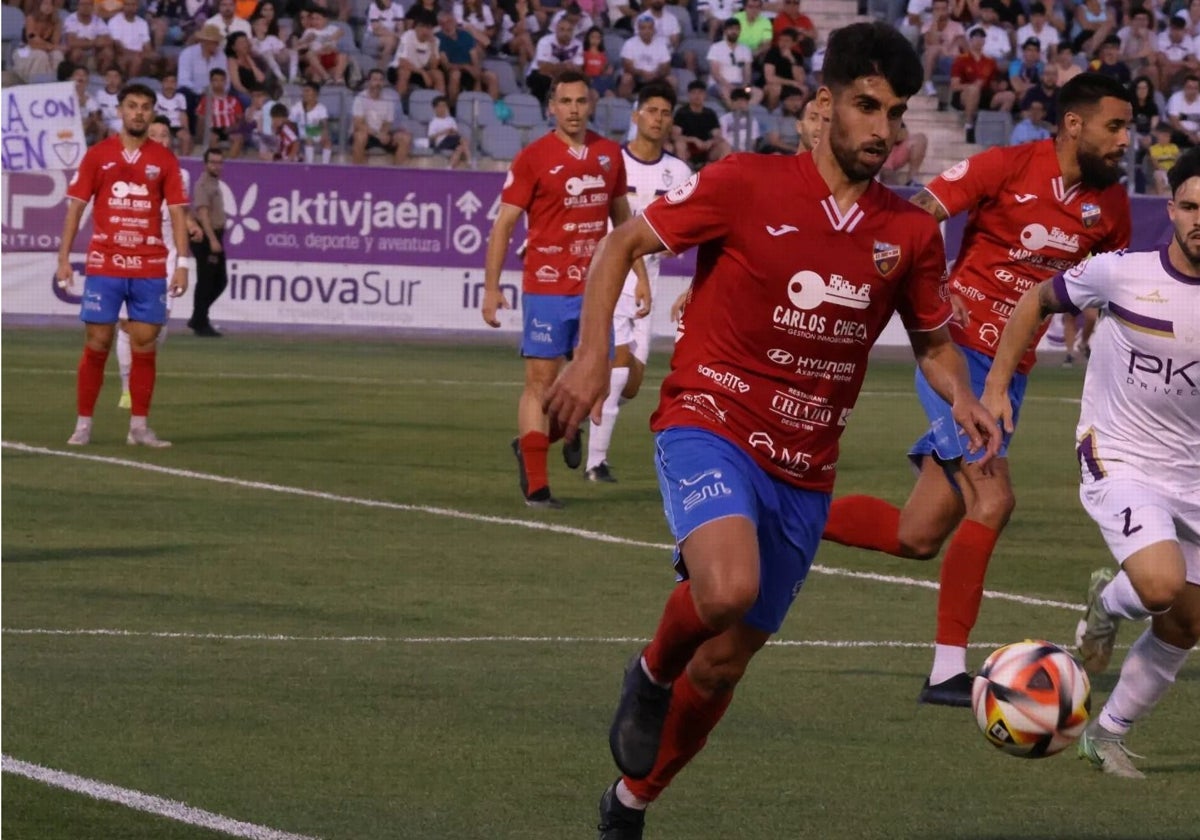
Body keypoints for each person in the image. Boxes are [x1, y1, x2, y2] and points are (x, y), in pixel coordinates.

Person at [542, 22, 1000, 838]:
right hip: (709, 418)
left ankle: (631, 803)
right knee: (726, 589)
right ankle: (648, 673)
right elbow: (620, 244)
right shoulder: (745, 182)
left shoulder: (910, 233)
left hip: (806, 466)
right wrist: (588, 357)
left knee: (721, 666)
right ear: (824, 106)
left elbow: (932, 341)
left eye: (894, 113)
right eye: (865, 106)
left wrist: (960, 396)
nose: (881, 130)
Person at [821, 73, 1134, 708]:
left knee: (918, 533)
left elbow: (1109, 292)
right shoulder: (1005, 165)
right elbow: (914, 220)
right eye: (1116, 126)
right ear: (1074, 125)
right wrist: (923, 294)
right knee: (992, 501)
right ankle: (945, 673)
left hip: (1008, 375)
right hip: (955, 361)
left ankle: (776, 516)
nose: (1126, 140)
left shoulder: (1113, 206)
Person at [980, 147, 1200, 780]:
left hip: (1192, 472)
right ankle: (1110, 598)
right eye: (1188, 206)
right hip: (1121, 455)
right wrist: (997, 387)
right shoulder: (1119, 273)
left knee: (1186, 623)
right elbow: (1034, 301)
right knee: (1160, 586)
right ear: (1171, 209)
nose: (1197, 219)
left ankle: (1104, 736)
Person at [481, 70, 637, 509]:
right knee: (540, 384)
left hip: (596, 292)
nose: (573, 110)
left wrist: (639, 275)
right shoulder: (533, 157)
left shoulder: (609, 155)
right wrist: (491, 288)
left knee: (599, 383)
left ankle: (557, 433)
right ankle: (537, 486)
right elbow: (504, 226)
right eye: (565, 102)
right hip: (547, 289)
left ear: (591, 106)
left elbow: (624, 223)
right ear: (552, 107)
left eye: (580, 102)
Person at [56, 83, 191, 448]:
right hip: (105, 263)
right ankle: (83, 424)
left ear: (152, 113)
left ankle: (139, 427)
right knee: (97, 341)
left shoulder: (164, 160)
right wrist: (64, 257)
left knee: (145, 344)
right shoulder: (99, 155)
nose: (139, 113)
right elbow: (77, 207)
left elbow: (178, 213)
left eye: (146, 107)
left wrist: (182, 264)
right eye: (132, 106)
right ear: (120, 110)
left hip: (149, 266)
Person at [584, 81, 691, 483]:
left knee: (629, 385)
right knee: (616, 371)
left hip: (651, 282)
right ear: (635, 116)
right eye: (651, 111)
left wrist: (667, 246)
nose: (657, 119)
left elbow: (684, 229)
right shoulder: (614, 163)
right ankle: (596, 463)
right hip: (612, 280)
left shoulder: (679, 172)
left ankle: (579, 406)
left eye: (665, 113)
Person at [116, 116, 202, 409]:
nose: (161, 140)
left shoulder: (179, 174)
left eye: (165, 135)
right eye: (155, 134)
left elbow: (178, 209)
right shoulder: (126, 168)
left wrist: (190, 225)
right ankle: (128, 389)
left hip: (164, 259)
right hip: (131, 254)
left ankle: (141, 376)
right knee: (127, 324)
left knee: (156, 327)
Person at [189, 148, 229, 338]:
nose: (216, 165)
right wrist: (212, 239)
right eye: (213, 162)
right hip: (206, 235)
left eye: (219, 162)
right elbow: (203, 214)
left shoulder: (215, 183)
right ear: (206, 164)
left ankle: (198, 317)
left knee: (219, 280)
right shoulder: (203, 185)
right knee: (207, 280)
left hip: (215, 234)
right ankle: (200, 321)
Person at [351, 68, 413, 165]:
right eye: (375, 80)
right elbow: (359, 123)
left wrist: (383, 134)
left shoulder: (389, 100)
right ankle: (358, 173)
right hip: (368, 134)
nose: (378, 83)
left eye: (380, 80)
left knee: (405, 138)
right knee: (360, 135)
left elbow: (387, 123)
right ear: (369, 82)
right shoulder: (360, 98)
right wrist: (377, 134)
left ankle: (397, 174)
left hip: (381, 133)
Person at [671, 80, 730, 170]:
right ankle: (685, 172)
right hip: (689, 148)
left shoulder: (710, 113)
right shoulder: (682, 113)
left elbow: (718, 135)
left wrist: (710, 142)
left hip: (706, 147)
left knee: (724, 145)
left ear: (705, 95)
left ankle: (719, 174)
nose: (697, 96)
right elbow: (675, 136)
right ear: (689, 95)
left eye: (700, 93)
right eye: (694, 93)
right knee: (679, 144)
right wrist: (693, 140)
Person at [290, 80, 333, 163]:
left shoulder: (321, 108)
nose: (304, 94)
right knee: (308, 138)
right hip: (301, 132)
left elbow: (324, 124)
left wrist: (324, 134)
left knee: (327, 142)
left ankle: (325, 165)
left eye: (307, 91)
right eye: (304, 91)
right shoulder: (296, 107)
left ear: (316, 94)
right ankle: (309, 164)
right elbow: (290, 123)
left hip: (314, 131)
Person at [428, 95, 471, 168]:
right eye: (439, 106)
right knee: (464, 140)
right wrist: (444, 132)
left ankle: (449, 167)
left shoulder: (451, 120)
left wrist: (453, 131)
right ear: (435, 109)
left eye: (444, 106)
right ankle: (470, 161)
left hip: (452, 140)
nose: (442, 108)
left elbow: (456, 134)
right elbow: (430, 137)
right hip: (441, 143)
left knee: (460, 148)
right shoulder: (434, 122)